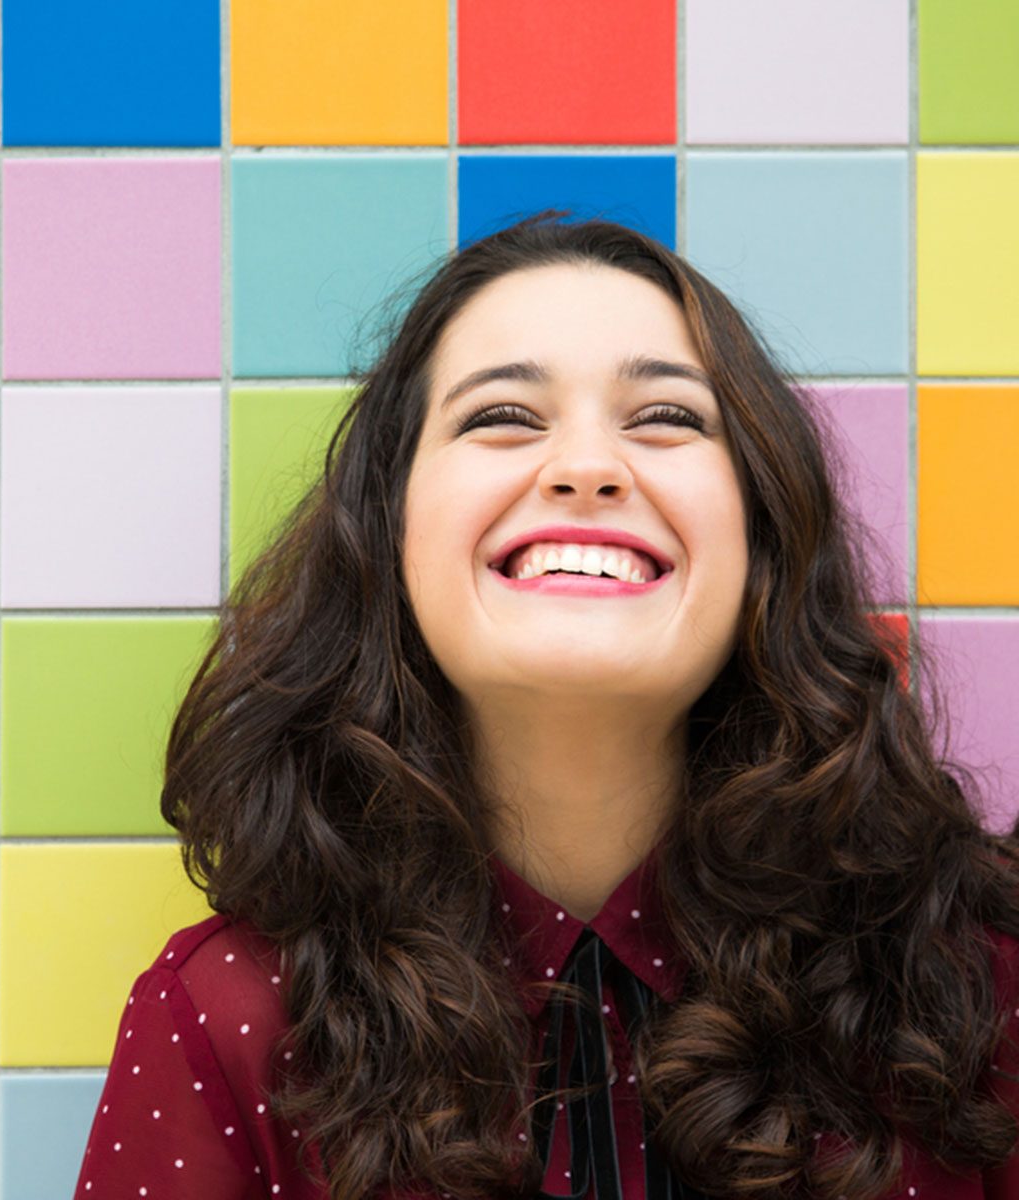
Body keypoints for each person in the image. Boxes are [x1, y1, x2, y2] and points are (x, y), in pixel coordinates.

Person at [73, 213, 1019, 1200]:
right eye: (502, 418)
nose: (585, 467)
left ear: (764, 539)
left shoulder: (981, 987)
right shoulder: (222, 1017)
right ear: (390, 533)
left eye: (666, 418)